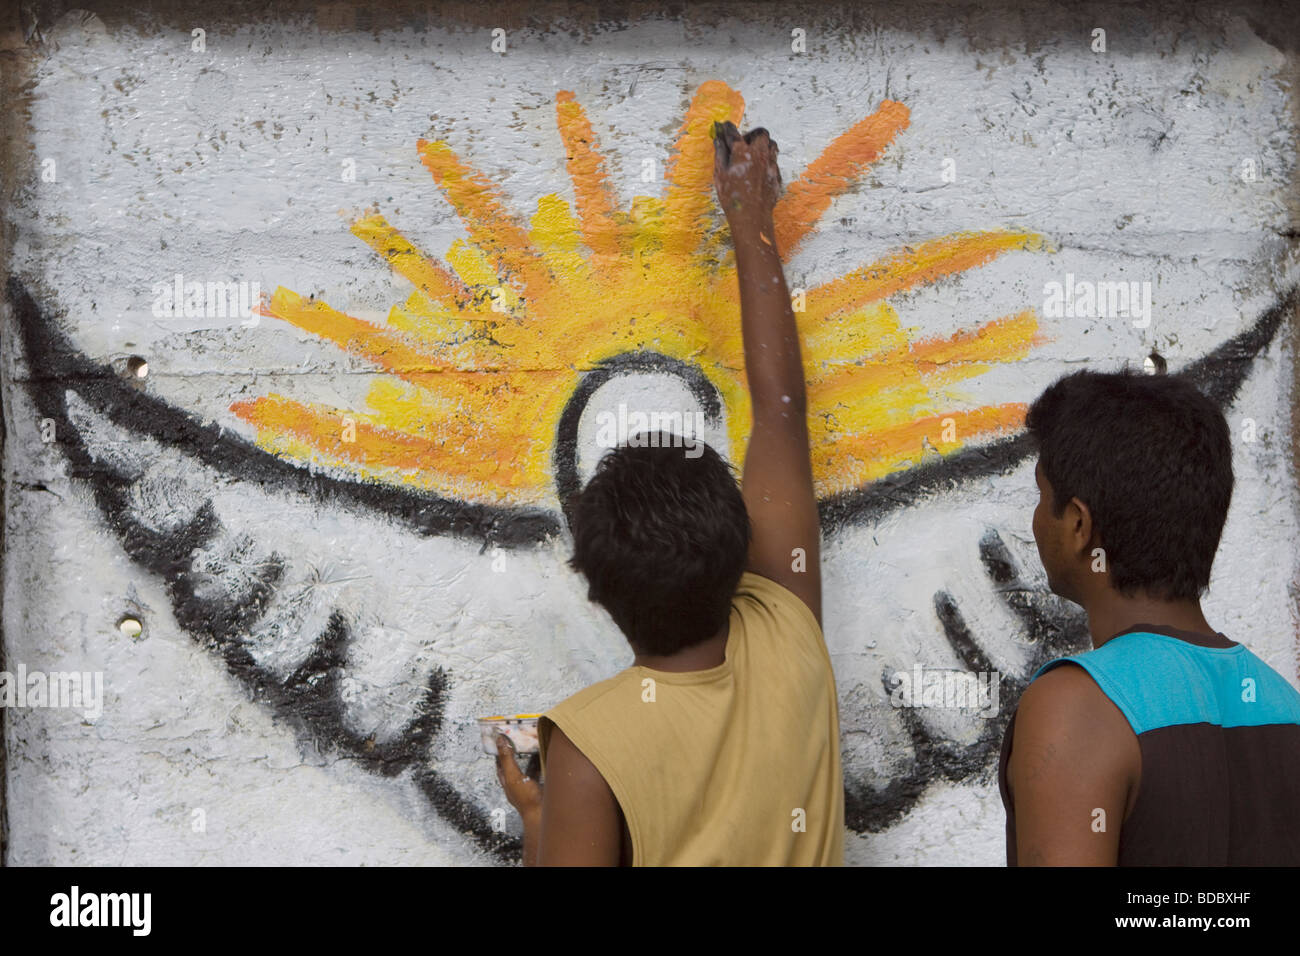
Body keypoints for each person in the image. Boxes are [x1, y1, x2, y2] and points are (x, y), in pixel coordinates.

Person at [493, 121, 844, 865]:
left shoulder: (589, 745)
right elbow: (780, 407)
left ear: (596, 590)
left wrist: (538, 822)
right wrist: (752, 221)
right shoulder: (789, 627)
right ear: (740, 545)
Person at [1000, 369, 1300, 865]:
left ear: (1078, 524)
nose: (1034, 518)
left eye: (1039, 494)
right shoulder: (1285, 706)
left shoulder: (1077, 708)